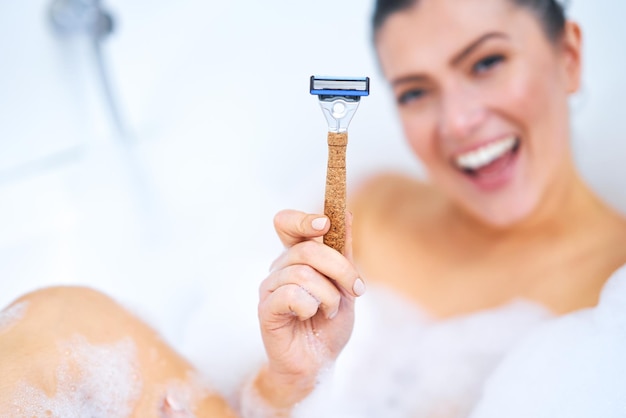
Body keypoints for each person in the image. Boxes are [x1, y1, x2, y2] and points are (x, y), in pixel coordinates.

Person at [251, 0, 626, 416]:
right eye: (415, 92)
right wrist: (288, 384)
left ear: (569, 58)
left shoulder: (615, 307)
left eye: (486, 63)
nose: (457, 122)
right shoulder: (370, 215)